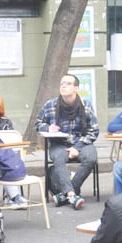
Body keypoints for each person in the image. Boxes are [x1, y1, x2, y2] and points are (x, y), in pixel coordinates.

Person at [35, 73, 99, 210]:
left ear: (76, 88)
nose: (63, 86)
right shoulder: (50, 105)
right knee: (58, 158)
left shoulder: (86, 105)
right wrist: (48, 127)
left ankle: (66, 194)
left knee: (91, 158)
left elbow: (94, 130)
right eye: (62, 83)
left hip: (82, 142)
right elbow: (38, 123)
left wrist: (77, 147)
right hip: (59, 143)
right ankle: (71, 194)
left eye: (68, 84)